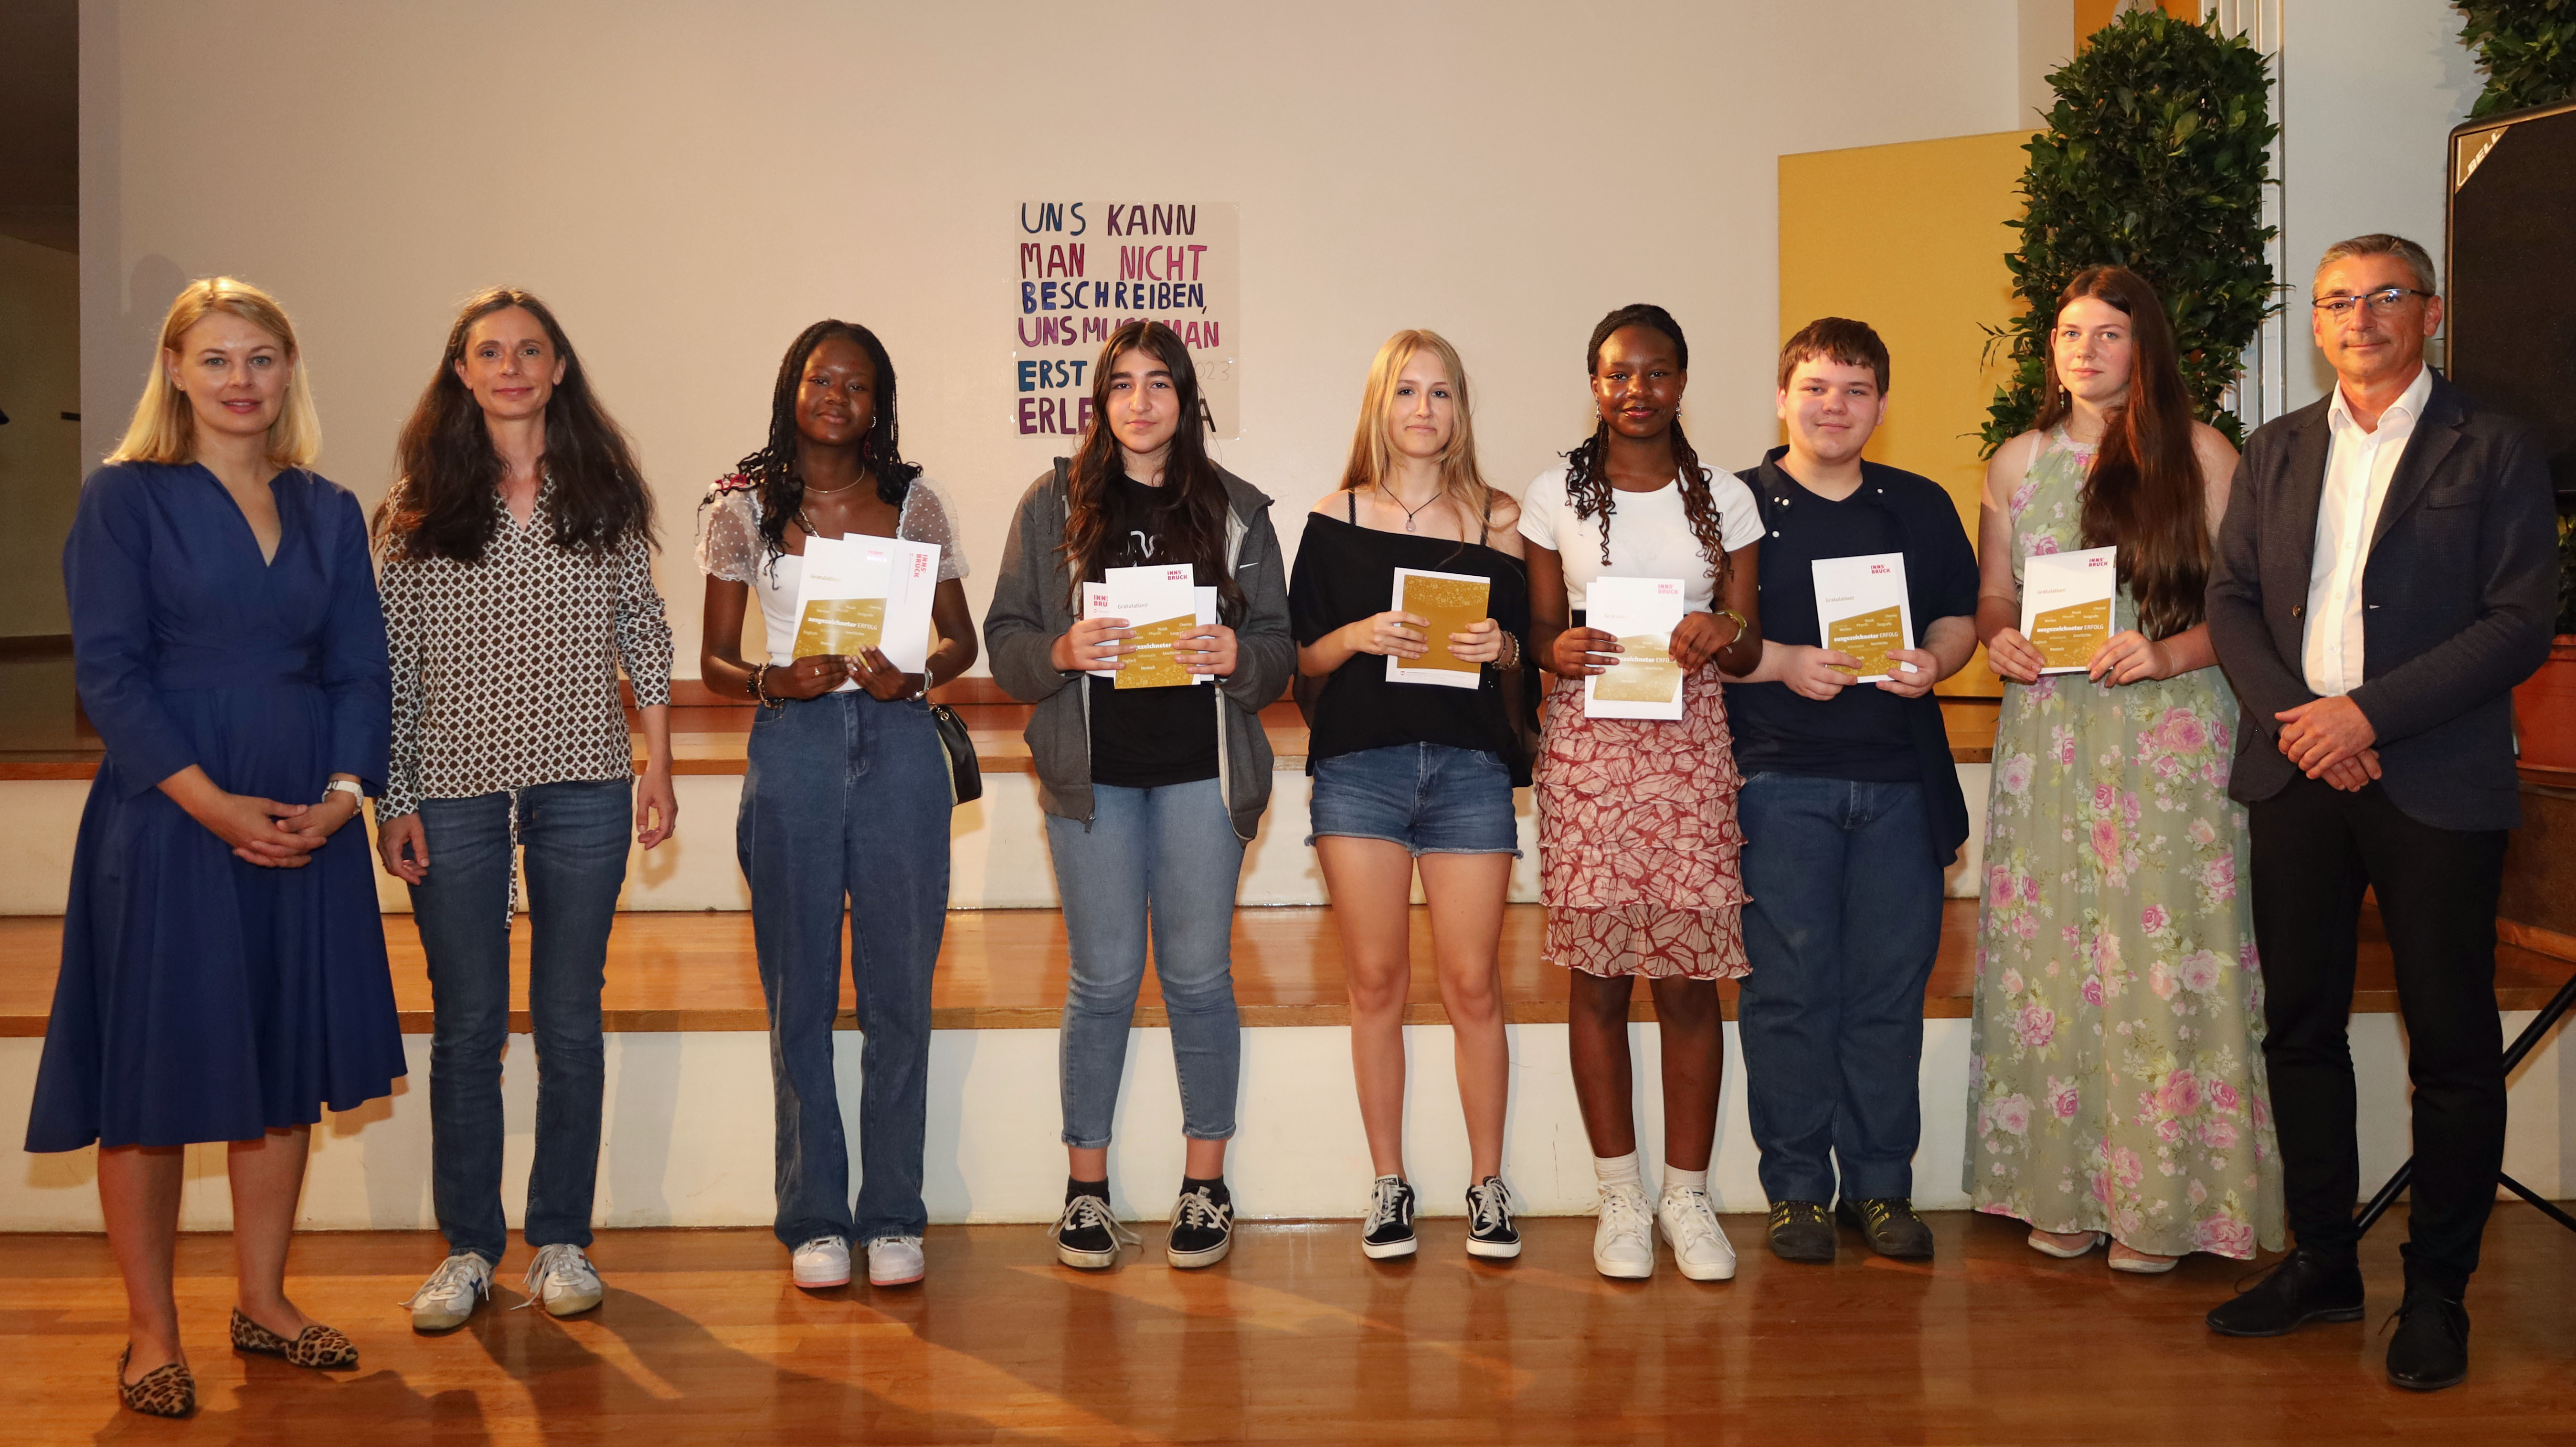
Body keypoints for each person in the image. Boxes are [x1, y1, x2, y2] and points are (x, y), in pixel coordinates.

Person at [25, 278, 402, 1416]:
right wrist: (214, 804)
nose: (243, 381)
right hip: (171, 814)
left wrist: (341, 799)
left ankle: (265, 1302)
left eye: (263, 359)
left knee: (281, 1067)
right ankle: (150, 1333)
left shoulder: (332, 507)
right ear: (177, 372)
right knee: (148, 1077)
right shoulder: (124, 499)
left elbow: (359, 670)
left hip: (305, 814)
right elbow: (111, 677)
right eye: (219, 359)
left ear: (290, 373)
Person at [2203, 234, 2556, 1391]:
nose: (2360, 319)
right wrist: (2305, 719)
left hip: (2434, 783)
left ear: (2432, 311)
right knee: (2299, 1029)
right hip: (2295, 773)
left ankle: (2438, 1292)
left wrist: (2364, 717)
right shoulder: (2276, 448)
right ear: (2313, 324)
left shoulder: (2494, 445)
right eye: (2336, 302)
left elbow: (2515, 623)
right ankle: (2323, 1263)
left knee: (2451, 1046)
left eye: (2385, 297)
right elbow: (2235, 599)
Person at [1967, 265, 2282, 1274]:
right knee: (2054, 955)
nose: (2085, 349)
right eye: (2069, 331)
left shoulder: (2200, 454)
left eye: (2108, 333)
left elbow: (2246, 605)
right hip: (2050, 738)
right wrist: (2001, 641)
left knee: (2165, 955)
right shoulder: (2017, 461)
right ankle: (2058, 1188)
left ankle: (2165, 1200)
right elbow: (1990, 599)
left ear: (2144, 346)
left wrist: (2169, 651)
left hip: (2171, 730)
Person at [375, 288, 677, 1332]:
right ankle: (467, 1247)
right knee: (466, 1028)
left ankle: (562, 1239)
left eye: (530, 349)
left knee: (568, 1018)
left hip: (585, 777)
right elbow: (395, 672)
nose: (510, 366)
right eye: (489, 351)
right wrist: (395, 797)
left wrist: (660, 762)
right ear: (462, 371)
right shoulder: (418, 503)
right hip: (451, 788)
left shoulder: (598, 487)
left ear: (557, 368)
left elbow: (643, 629)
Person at [986, 319, 1294, 1272]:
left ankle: (1206, 1184)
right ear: (1100, 402)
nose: (1140, 402)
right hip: (1094, 783)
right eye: (1121, 384)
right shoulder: (1052, 506)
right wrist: (1060, 651)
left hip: (1203, 777)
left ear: (1186, 399)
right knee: (1103, 979)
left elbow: (1280, 651)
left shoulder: (1238, 510)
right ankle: (1085, 1192)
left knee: (1200, 978)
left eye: (1158, 383)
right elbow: (1005, 642)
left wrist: (1242, 657)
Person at [696, 320, 977, 1291]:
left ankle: (893, 1212)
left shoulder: (916, 504)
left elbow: (960, 641)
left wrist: (916, 675)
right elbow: (714, 662)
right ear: (792, 388)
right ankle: (814, 1215)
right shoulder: (741, 509)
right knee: (800, 999)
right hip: (796, 751)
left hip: (899, 748)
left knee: (899, 993)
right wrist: (775, 680)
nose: (837, 399)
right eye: (822, 380)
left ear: (878, 406)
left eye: (858, 387)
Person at [1721, 319, 1980, 1263]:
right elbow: (1695, 639)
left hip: (1898, 786)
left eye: (1857, 390)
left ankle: (1879, 1186)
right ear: (1783, 395)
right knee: (1787, 996)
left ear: (1881, 404)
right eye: (1818, 387)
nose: (1836, 406)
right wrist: (1781, 664)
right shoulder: (1731, 506)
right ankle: (1794, 1189)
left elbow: (1958, 615)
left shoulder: (1915, 502)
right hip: (1777, 782)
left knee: (1885, 996)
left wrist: (1933, 660)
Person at [1522, 304, 1764, 1282]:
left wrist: (1720, 629)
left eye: (1656, 373)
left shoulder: (1725, 497)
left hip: (1689, 747)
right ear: (1594, 382)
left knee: (1687, 980)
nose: (1637, 390)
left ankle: (1687, 1198)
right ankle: (1618, 1195)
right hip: (1588, 751)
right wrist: (1557, 646)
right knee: (1599, 978)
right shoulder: (1551, 496)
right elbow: (1539, 631)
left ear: (1681, 382)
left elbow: (1748, 637)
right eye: (1619, 373)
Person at [1290, 329, 1531, 1261]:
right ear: (1379, 407)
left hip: (1470, 770)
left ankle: (1487, 1182)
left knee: (1473, 982)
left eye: (1440, 394)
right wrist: (1356, 633)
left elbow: (1526, 649)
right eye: (1406, 393)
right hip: (1361, 769)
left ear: (1460, 411)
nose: (1423, 411)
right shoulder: (1333, 513)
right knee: (1377, 982)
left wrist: (1500, 649)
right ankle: (1388, 1181)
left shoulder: (1499, 520)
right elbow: (1297, 659)